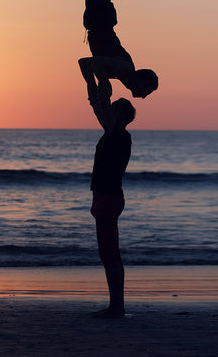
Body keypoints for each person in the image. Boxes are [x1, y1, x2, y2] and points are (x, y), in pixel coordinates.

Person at [79, 57, 135, 318]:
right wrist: (91, 80)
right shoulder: (111, 133)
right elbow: (97, 105)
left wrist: (98, 81)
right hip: (103, 198)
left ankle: (117, 307)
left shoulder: (119, 135)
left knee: (110, 254)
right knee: (108, 253)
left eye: (114, 109)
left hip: (109, 199)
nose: (108, 111)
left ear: (122, 117)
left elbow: (99, 104)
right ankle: (116, 306)